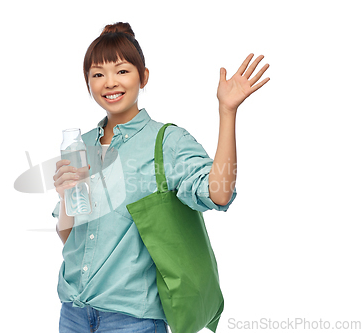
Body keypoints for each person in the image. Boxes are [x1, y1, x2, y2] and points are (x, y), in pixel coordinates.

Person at [51, 22, 269, 333]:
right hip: (73, 312)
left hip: (131, 319)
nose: (110, 83)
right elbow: (70, 238)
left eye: (122, 71)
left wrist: (227, 111)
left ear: (144, 76)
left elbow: (219, 193)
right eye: (98, 74)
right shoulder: (80, 146)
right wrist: (65, 195)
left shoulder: (166, 142)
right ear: (88, 82)